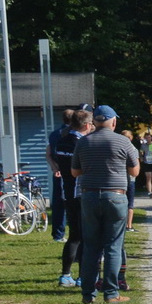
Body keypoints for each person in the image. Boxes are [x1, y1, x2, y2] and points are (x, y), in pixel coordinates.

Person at [71, 105, 139, 304]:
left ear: (94, 122)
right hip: (116, 196)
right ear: (113, 122)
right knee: (113, 246)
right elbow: (134, 171)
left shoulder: (83, 142)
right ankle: (111, 293)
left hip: (89, 196)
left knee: (91, 246)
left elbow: (75, 172)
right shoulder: (123, 141)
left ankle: (88, 294)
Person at [54, 109, 91, 288]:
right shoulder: (83, 144)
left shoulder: (62, 141)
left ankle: (65, 275)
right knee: (84, 237)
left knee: (74, 236)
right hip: (80, 192)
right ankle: (83, 276)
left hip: (66, 192)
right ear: (87, 125)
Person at [46, 107, 75, 239]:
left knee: (58, 203)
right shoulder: (71, 134)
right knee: (72, 202)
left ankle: (58, 233)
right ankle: (75, 231)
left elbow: (48, 154)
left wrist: (54, 168)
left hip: (58, 171)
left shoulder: (53, 134)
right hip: (71, 171)